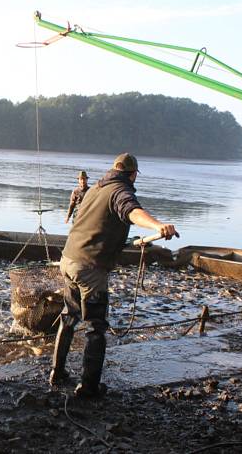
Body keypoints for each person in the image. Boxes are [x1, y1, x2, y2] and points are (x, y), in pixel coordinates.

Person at [50, 153, 178, 397]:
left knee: (69, 316)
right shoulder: (120, 190)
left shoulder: (96, 188)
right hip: (89, 268)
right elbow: (132, 212)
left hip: (68, 260)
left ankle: (57, 372)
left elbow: (102, 224)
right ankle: (88, 387)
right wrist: (157, 225)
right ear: (132, 174)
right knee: (96, 327)